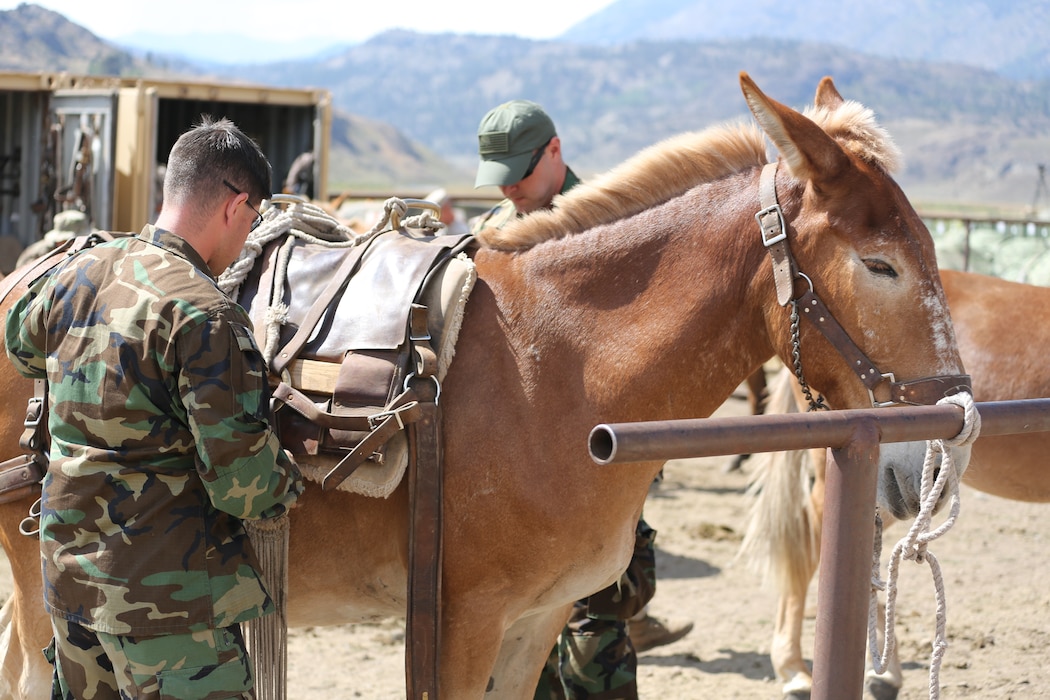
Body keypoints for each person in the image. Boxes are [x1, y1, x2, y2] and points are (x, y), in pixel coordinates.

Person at [5, 116, 304, 700]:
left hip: (72, 593)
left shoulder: (76, 275)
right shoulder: (205, 315)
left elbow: (21, 346)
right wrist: (289, 479)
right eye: (252, 221)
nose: (247, 237)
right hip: (170, 612)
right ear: (234, 205)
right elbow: (243, 486)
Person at [471, 99, 693, 699]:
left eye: (520, 170)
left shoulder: (614, 227)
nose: (512, 187)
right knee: (523, 640)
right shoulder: (495, 230)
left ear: (555, 151)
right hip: (524, 473)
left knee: (598, 642)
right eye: (501, 176)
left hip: (598, 462)